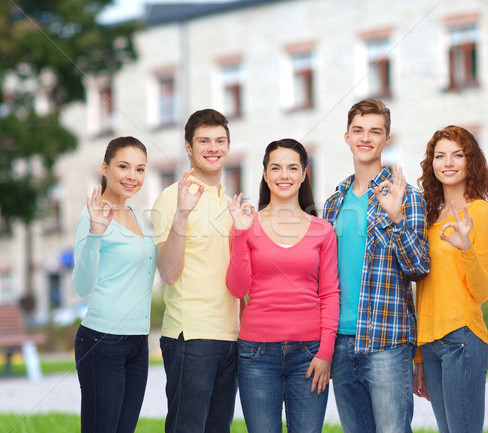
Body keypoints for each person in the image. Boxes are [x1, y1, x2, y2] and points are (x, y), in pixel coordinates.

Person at [322, 98, 430, 433]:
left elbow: (418, 268)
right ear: (347, 137)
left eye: (375, 131)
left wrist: (396, 218)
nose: (365, 138)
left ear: (386, 139)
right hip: (340, 341)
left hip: (386, 340)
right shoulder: (333, 203)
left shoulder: (408, 197)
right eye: (358, 131)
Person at [226, 139, 340, 433]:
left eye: (292, 168)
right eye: (276, 168)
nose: (284, 175)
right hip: (257, 354)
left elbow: (329, 294)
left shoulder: (322, 230)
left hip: (310, 353)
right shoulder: (246, 224)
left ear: (304, 174)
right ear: (265, 174)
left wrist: (326, 352)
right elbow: (238, 289)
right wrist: (239, 235)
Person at [151, 109, 241, 433]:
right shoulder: (170, 199)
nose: (212, 148)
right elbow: (169, 273)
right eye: (203, 141)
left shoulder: (229, 204)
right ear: (188, 147)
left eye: (219, 141)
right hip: (191, 337)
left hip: (229, 337)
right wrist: (181, 216)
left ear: (228, 146)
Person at [413, 125, 488, 433]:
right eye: (440, 156)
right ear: (431, 163)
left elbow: (482, 291)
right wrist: (419, 355)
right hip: (432, 343)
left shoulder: (482, 213)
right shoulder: (428, 217)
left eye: (457, 155)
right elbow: (423, 289)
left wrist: (466, 250)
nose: (448, 162)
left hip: (462, 339)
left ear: (470, 162)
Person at [72, 136, 156, 433]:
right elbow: (81, 285)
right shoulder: (92, 214)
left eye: (140, 169)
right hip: (102, 342)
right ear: (105, 168)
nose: (132, 176)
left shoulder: (135, 215)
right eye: (124, 166)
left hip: (137, 341)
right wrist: (96, 233)